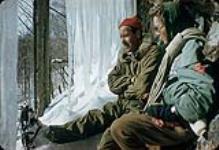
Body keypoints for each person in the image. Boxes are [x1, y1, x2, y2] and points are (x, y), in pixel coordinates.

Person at [106, 1, 216, 150]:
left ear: (171, 24)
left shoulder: (190, 49)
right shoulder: (171, 51)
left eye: (159, 29)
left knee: (122, 127)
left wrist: (167, 103)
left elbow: (194, 106)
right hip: (163, 113)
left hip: (178, 123)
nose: (156, 35)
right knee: (109, 141)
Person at [40, 16, 164, 144]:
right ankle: (54, 134)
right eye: (121, 37)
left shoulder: (152, 53)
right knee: (93, 118)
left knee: (109, 139)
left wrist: (126, 88)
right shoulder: (125, 55)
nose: (123, 41)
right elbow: (112, 82)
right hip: (122, 103)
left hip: (140, 107)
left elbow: (141, 87)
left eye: (126, 35)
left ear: (138, 34)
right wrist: (131, 80)